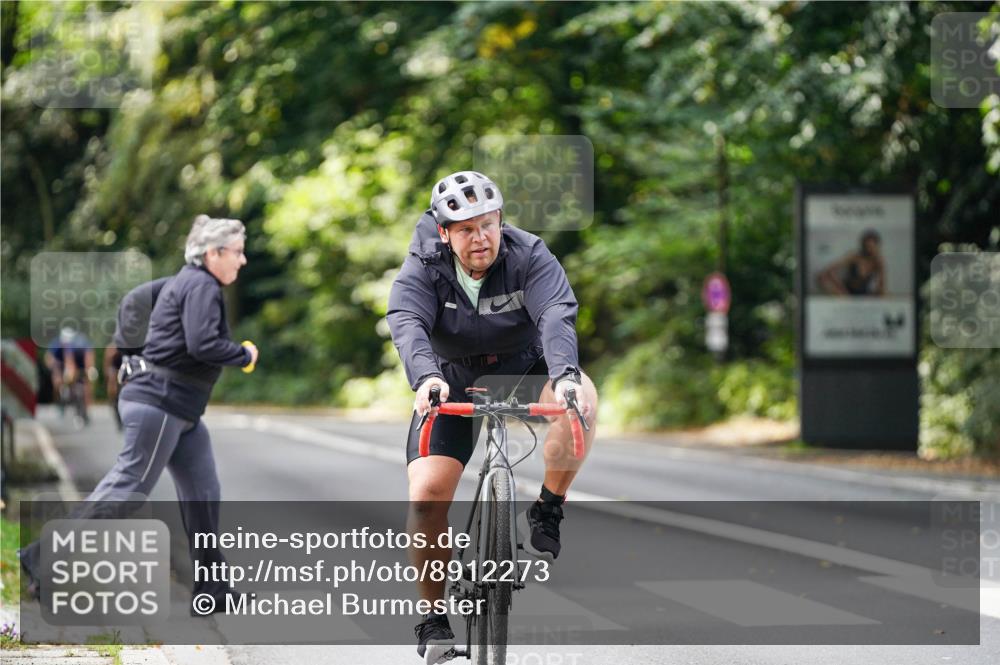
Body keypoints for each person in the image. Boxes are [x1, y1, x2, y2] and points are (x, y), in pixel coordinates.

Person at [387, 171, 598, 663]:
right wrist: (425, 378)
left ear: (500, 221)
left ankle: (548, 504)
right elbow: (407, 321)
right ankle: (433, 618)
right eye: (465, 229)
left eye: (488, 225)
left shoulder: (529, 255)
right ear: (444, 233)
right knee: (426, 495)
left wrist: (565, 374)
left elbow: (555, 314)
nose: (480, 238)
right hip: (450, 379)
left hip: (525, 366)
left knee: (581, 398)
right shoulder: (424, 264)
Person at [20, 215, 259, 613]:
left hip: (181, 410)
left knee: (203, 493)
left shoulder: (189, 282)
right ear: (214, 253)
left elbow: (135, 302)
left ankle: (213, 590)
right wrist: (244, 354)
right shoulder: (201, 284)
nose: (243, 260)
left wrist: (131, 357)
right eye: (237, 252)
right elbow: (202, 344)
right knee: (128, 489)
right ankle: (41, 559)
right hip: (160, 403)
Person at [44, 326, 97, 424]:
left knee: (86, 385)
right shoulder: (56, 344)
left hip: (77, 363)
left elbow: (88, 357)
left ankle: (86, 409)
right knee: (57, 381)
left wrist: (90, 369)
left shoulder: (80, 343)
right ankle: (59, 404)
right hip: (59, 364)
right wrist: (55, 370)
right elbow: (49, 358)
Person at [817, 229, 886, 296]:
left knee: (887, 296)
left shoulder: (878, 261)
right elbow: (828, 271)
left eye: (872, 247)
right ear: (863, 246)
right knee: (821, 278)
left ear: (877, 246)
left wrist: (882, 267)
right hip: (847, 292)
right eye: (867, 246)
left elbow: (881, 287)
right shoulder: (854, 257)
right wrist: (842, 289)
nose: (870, 249)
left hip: (864, 293)